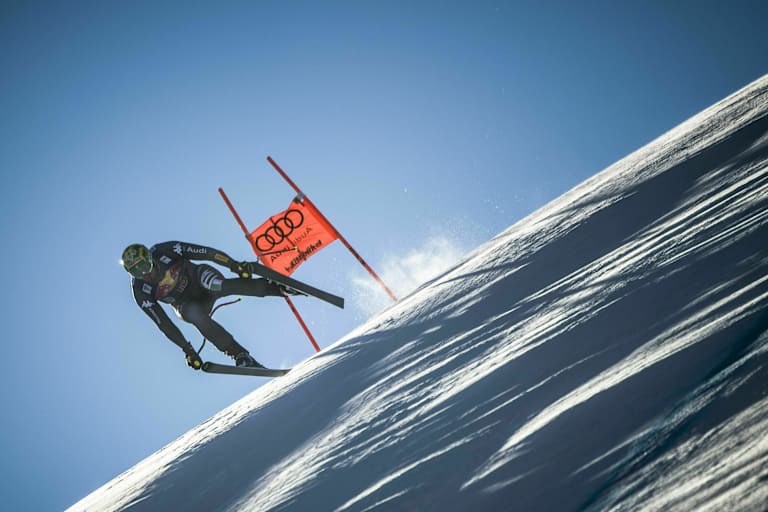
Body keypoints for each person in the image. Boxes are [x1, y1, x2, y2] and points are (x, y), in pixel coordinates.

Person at [120, 241, 291, 370]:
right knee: (191, 314)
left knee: (216, 285)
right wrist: (188, 350)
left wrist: (233, 265)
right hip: (188, 304)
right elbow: (163, 323)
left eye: (144, 266)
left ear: (150, 258)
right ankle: (240, 355)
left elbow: (207, 253)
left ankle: (278, 288)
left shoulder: (164, 251)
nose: (145, 274)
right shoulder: (140, 290)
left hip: (199, 279)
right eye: (136, 272)